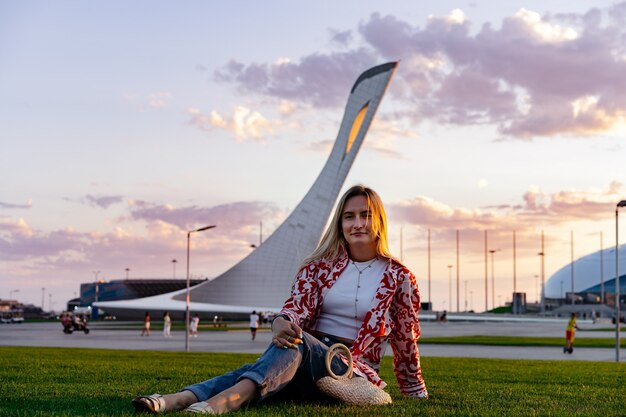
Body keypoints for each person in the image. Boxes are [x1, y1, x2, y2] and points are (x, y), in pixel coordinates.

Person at [132, 185, 428, 414]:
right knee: (291, 346)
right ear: (339, 224)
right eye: (349, 216)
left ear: (379, 221)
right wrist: (280, 323)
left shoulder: (398, 277)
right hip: (303, 353)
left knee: (285, 352)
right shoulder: (318, 267)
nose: (358, 223)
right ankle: (181, 399)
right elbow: (294, 308)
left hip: (350, 368)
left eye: (366, 215)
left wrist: (415, 390)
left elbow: (405, 340)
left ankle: (216, 400)